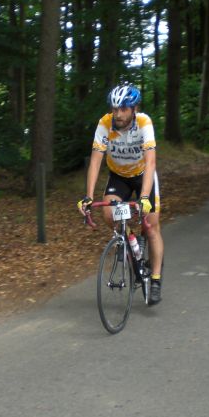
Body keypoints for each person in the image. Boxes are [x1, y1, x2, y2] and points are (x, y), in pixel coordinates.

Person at [77, 84, 164, 305]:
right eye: (115, 108)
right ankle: (132, 240)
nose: (118, 114)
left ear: (134, 108)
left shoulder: (144, 122)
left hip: (143, 174)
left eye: (123, 109)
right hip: (118, 176)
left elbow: (151, 161)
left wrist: (144, 198)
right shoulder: (105, 124)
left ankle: (155, 279)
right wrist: (88, 196)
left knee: (152, 226)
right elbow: (96, 161)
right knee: (109, 215)